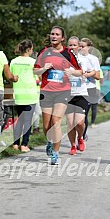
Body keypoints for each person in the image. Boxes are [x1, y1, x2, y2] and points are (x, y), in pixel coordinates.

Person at [33, 26, 82, 165]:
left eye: (57, 34)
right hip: (46, 91)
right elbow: (35, 71)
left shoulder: (68, 53)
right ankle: (49, 141)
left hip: (63, 91)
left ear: (62, 38)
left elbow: (80, 71)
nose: (54, 36)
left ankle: (55, 153)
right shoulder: (44, 52)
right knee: (46, 125)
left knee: (56, 121)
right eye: (52, 34)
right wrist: (44, 68)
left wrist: (71, 72)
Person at [10, 39, 39, 152]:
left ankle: (15, 144)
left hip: (18, 94)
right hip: (30, 95)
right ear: (29, 49)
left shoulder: (13, 61)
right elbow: (38, 77)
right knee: (28, 121)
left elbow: (12, 76)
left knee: (19, 120)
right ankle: (24, 145)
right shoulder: (33, 62)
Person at [66, 36, 89, 155]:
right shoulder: (64, 59)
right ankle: (73, 145)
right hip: (68, 95)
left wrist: (75, 72)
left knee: (79, 123)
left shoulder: (83, 59)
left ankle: (80, 137)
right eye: (70, 45)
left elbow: (83, 72)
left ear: (79, 47)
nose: (72, 47)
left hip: (81, 93)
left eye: (74, 45)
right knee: (70, 123)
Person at [78, 38, 101, 140]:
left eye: (82, 46)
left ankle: (82, 137)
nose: (80, 48)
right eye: (79, 46)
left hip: (89, 89)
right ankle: (78, 136)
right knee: (77, 116)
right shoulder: (76, 57)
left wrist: (87, 73)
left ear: (89, 48)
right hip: (78, 88)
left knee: (84, 114)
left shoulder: (93, 59)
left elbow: (98, 76)